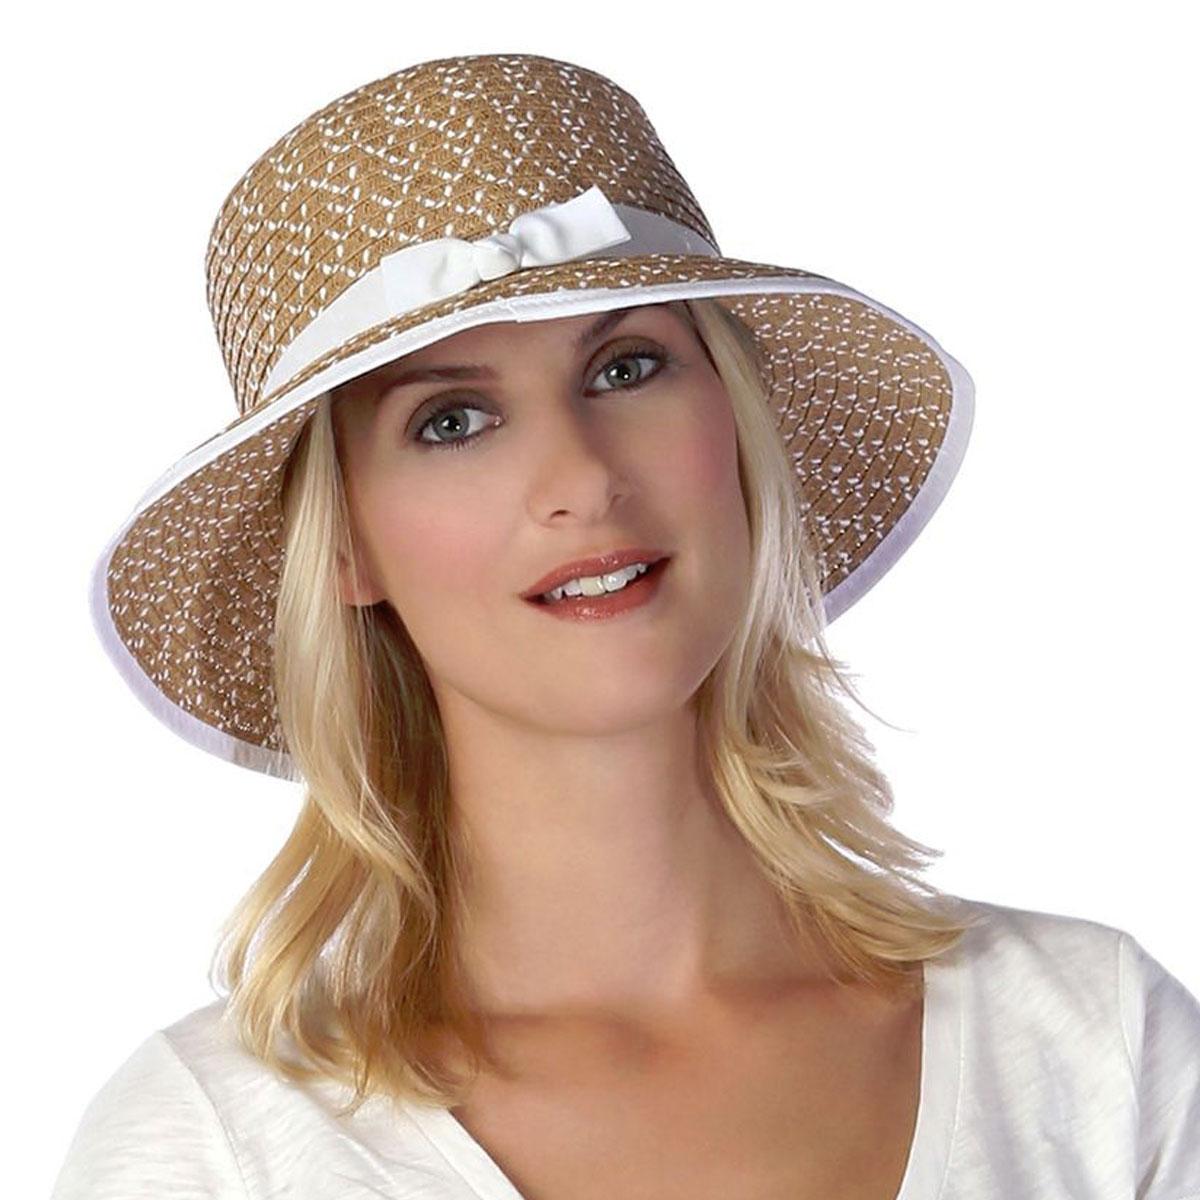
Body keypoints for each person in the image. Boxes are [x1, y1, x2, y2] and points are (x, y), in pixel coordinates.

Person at [59, 52, 1198, 1200]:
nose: (581, 479)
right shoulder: (216, 1149)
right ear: (346, 545)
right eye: (451, 421)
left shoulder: (1094, 1048)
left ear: (738, 425)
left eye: (627, 365)